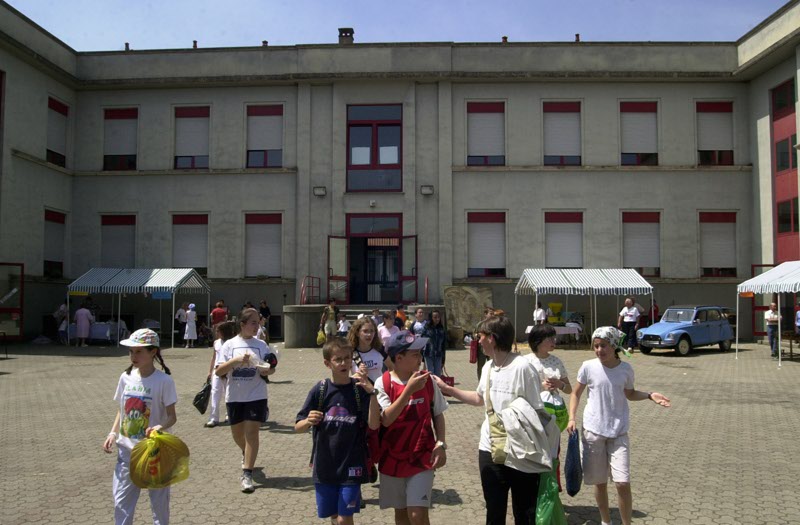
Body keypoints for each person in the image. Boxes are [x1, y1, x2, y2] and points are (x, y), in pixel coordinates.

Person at [435, 315, 544, 525]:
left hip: (521, 448)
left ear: (491, 338)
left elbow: (536, 411)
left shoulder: (522, 367)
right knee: (494, 509)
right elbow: (479, 399)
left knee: (525, 511)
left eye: (480, 336)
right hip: (490, 447)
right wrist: (448, 389)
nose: (477, 341)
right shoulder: (489, 367)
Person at [567, 327, 671, 525]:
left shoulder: (625, 369)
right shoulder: (588, 367)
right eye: (596, 346)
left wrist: (649, 396)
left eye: (603, 345)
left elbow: (629, 393)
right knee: (600, 482)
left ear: (614, 346)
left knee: (622, 482)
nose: (599, 350)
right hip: (593, 431)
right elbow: (575, 393)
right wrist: (572, 417)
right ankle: (606, 521)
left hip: (619, 433)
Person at [295, 338, 380, 525]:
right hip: (325, 465)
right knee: (333, 516)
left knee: (344, 519)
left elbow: (374, 425)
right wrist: (308, 421)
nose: (344, 363)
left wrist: (372, 393)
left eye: (347, 358)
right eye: (338, 359)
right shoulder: (320, 389)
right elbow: (298, 425)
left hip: (352, 464)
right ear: (327, 363)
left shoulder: (360, 391)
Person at [102, 328, 177, 525]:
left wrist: (161, 426)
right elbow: (122, 409)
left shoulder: (164, 381)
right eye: (131, 351)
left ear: (153, 352)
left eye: (139, 351)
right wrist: (112, 432)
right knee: (121, 503)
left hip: (155, 452)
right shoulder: (125, 377)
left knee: (159, 504)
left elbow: (172, 416)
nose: (133, 356)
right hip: (127, 452)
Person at [374, 330, 448, 525]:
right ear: (399, 357)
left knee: (417, 515)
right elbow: (386, 419)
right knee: (401, 513)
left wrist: (440, 443)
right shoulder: (383, 382)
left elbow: (438, 413)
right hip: (392, 457)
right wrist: (408, 391)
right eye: (415, 354)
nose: (420, 358)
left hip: (421, 456)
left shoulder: (428, 380)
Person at [216, 308, 278, 493]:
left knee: (252, 433)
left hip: (256, 395)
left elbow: (271, 369)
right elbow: (219, 372)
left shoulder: (261, 345)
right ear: (242, 325)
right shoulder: (229, 345)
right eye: (252, 323)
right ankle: (246, 452)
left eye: (258, 323)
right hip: (235, 396)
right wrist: (236, 361)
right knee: (238, 434)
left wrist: (268, 370)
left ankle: (247, 473)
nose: (256, 326)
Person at [348, 317, 393, 483]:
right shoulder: (350, 352)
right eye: (365, 331)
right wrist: (356, 375)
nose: (369, 334)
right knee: (359, 439)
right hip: (357, 400)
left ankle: (373, 462)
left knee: (378, 436)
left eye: (372, 331)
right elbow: (343, 376)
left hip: (377, 398)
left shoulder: (379, 350)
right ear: (357, 332)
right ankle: (360, 476)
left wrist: (387, 384)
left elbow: (392, 368)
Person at [526, 323, 572, 490]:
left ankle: (552, 486)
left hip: (553, 414)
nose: (554, 341)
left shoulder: (556, 361)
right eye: (550, 338)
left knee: (553, 452)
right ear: (538, 341)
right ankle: (533, 488)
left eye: (554, 337)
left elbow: (569, 389)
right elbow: (520, 390)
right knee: (534, 452)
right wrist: (541, 387)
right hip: (533, 414)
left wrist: (560, 384)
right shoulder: (526, 362)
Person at [206, 321, 236, 428]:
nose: (216, 332)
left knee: (229, 394)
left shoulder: (232, 343)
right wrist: (210, 372)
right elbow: (214, 357)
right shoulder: (216, 343)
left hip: (228, 370)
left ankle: (229, 415)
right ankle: (213, 418)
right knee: (215, 393)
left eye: (218, 331)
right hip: (217, 370)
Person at [422, 310, 446, 377]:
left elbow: (443, 345)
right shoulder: (426, 328)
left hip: (438, 355)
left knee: (438, 375)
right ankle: (431, 387)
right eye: (435, 317)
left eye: (438, 317)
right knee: (431, 374)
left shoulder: (441, 329)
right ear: (431, 318)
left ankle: (437, 387)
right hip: (429, 354)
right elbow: (423, 339)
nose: (437, 319)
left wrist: (443, 359)